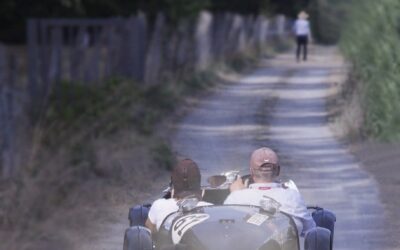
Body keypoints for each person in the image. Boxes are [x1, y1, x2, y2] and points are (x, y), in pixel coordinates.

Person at [224, 147, 316, 236]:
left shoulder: (236, 198)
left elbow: (227, 229)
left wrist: (238, 194)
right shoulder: (292, 196)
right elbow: (310, 230)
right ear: (278, 171)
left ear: (251, 172)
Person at [145, 158, 211, 233]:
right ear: (200, 188)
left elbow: (148, 233)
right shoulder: (212, 210)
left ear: (173, 187)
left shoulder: (159, 205)